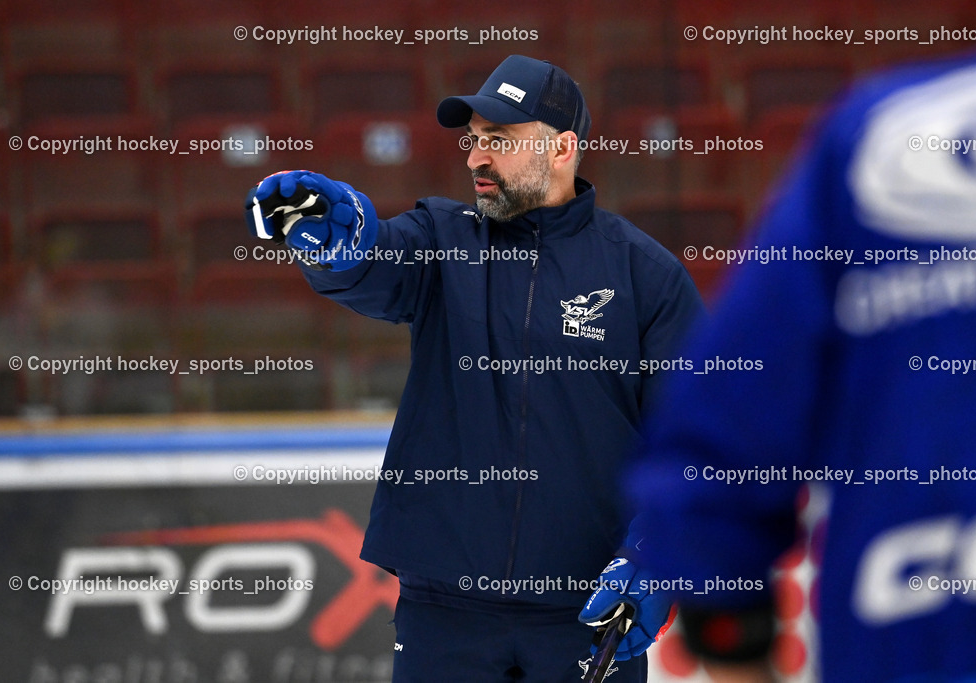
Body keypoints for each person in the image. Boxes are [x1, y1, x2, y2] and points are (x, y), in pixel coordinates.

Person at [243, 55, 703, 681]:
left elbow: (694, 440)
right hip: (443, 613)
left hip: (587, 611)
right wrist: (337, 243)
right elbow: (373, 267)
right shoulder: (441, 237)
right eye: (474, 140)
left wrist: (652, 555)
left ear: (563, 147)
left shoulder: (645, 276)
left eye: (500, 141)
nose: (475, 159)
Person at [624, 47, 976, 682]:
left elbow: (716, 439)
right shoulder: (878, 135)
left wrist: (729, 634)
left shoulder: (882, 127)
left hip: (920, 630)